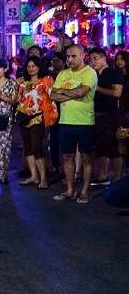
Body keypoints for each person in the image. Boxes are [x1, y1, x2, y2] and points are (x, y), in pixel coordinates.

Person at [51, 45, 98, 204]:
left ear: (82, 56)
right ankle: (70, 190)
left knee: (86, 158)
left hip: (85, 122)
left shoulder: (89, 73)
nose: (70, 59)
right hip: (65, 122)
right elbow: (52, 95)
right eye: (68, 57)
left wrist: (63, 92)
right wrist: (71, 94)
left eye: (73, 56)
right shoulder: (62, 74)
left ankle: (84, 190)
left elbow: (81, 92)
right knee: (67, 157)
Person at [16, 56, 56, 189]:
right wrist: (16, 84)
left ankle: (43, 178)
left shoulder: (46, 80)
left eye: (33, 66)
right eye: (28, 66)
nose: (31, 68)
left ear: (39, 67)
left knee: (37, 147)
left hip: (38, 118)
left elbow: (53, 97)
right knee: (27, 147)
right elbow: (17, 98)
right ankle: (34, 176)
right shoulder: (23, 83)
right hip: (23, 117)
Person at [89, 48, 123, 185]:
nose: (93, 61)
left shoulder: (114, 73)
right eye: (91, 59)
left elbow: (117, 93)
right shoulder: (93, 74)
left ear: (103, 58)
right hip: (96, 115)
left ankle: (117, 177)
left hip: (111, 115)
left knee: (114, 147)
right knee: (100, 147)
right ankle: (102, 175)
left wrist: (97, 88)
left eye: (96, 58)